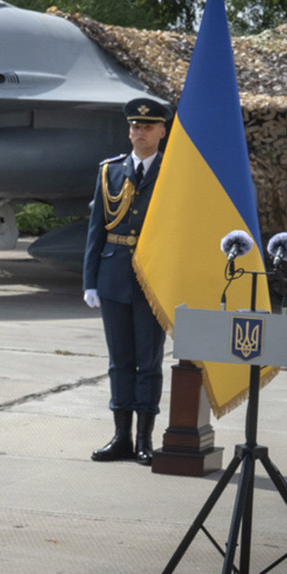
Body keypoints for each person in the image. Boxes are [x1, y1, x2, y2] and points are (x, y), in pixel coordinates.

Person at [83, 98, 172, 466]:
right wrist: (90, 279)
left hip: (154, 279)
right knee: (119, 361)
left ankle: (143, 440)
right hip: (114, 275)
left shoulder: (173, 172)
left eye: (148, 127)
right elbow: (96, 229)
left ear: (162, 131)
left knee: (148, 363)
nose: (140, 132)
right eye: (135, 126)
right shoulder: (110, 172)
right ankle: (121, 436)